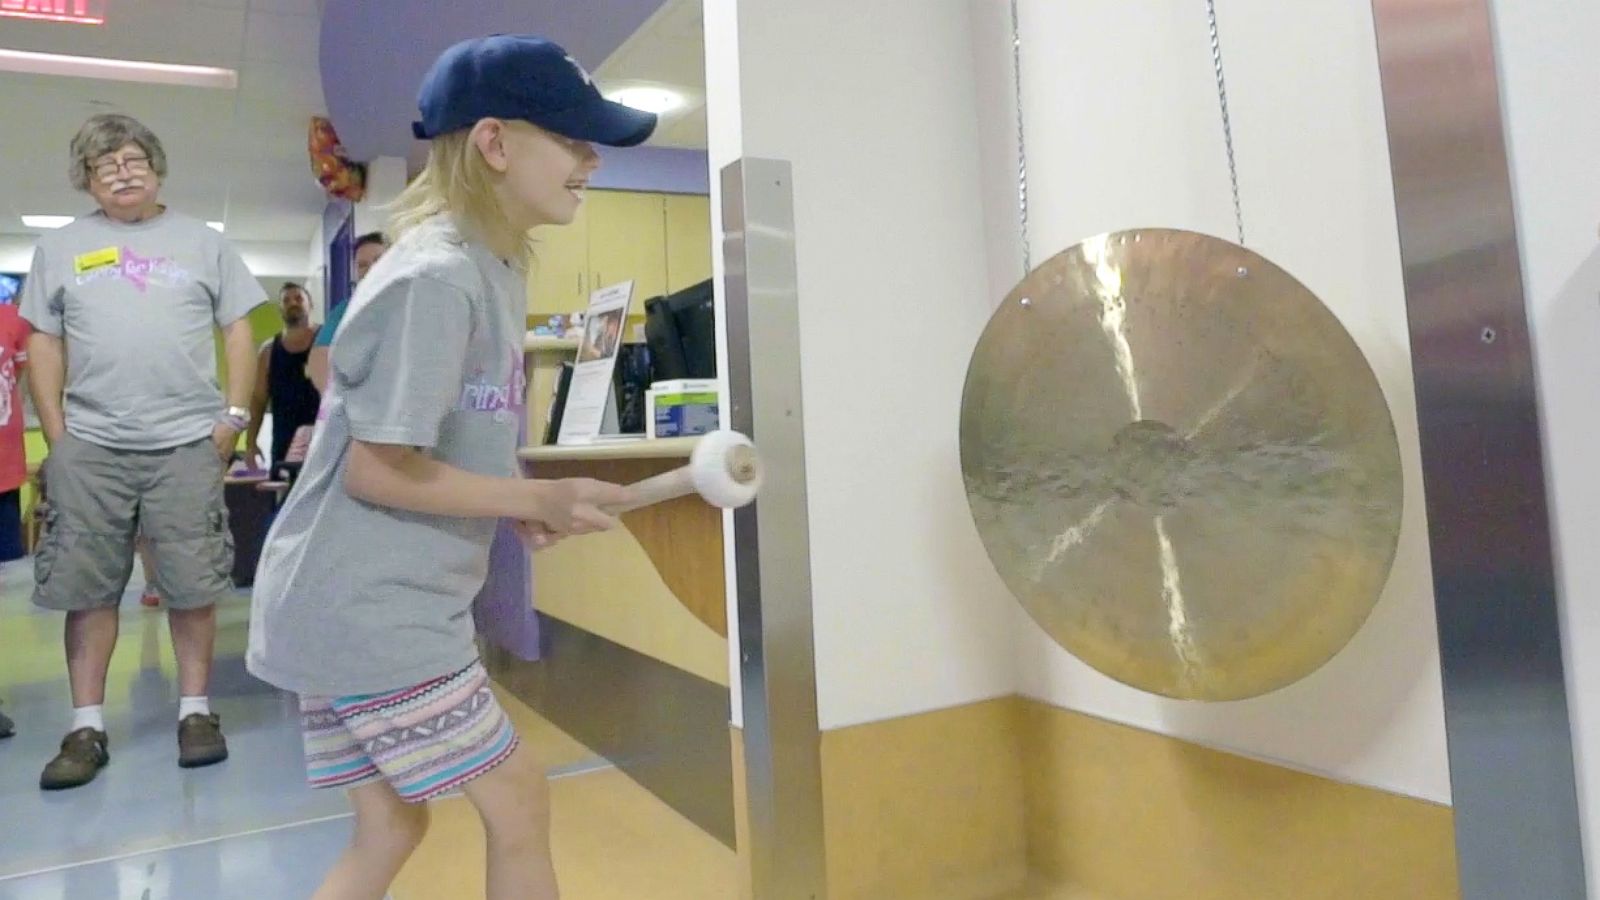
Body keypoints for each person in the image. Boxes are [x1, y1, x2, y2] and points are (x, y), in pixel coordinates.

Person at [246, 34, 654, 899]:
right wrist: (531, 492)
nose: (589, 160)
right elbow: (377, 470)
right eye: (573, 139)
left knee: (392, 824)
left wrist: (512, 503)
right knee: (517, 799)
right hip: (365, 609)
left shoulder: (495, 267)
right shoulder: (437, 277)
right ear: (495, 144)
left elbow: (442, 442)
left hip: (348, 604)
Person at [19, 113, 265, 790]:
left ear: (155, 166)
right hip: (92, 445)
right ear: (87, 182)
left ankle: (196, 712)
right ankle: (86, 725)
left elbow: (239, 330)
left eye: (132, 159)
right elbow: (43, 342)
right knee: (88, 590)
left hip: (186, 441)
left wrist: (233, 421)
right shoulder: (60, 247)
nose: (122, 173)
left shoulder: (203, 243)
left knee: (192, 585)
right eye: (105, 166)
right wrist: (59, 438)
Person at [246, 282, 321, 472]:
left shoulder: (327, 341)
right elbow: (257, 401)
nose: (292, 303)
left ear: (310, 304)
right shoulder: (269, 351)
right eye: (286, 300)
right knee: (285, 500)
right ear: (280, 309)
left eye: (298, 298)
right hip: (284, 448)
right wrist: (250, 443)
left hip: (324, 443)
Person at [307, 232, 386, 394]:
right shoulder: (344, 311)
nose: (372, 269)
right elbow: (319, 359)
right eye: (362, 265)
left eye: (379, 260)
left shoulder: (416, 302)